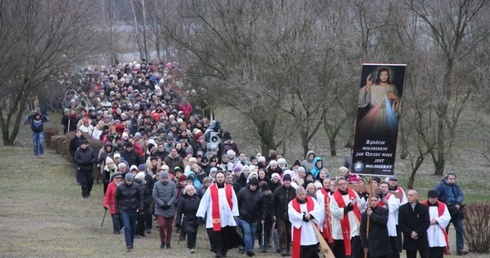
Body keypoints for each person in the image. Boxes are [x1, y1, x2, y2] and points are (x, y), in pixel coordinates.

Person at [196, 171, 242, 258]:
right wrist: (200, 215)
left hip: (227, 216)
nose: (220, 178)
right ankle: (218, 251)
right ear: (216, 178)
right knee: (216, 235)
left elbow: (234, 201)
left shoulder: (230, 188)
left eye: (221, 177)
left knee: (226, 234)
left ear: (224, 178)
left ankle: (224, 250)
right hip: (214, 216)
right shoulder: (211, 189)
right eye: (218, 177)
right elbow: (204, 202)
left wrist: (235, 214)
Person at [357, 67, 400, 135]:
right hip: (373, 114)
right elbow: (362, 101)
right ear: (378, 76)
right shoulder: (373, 87)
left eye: (386, 74)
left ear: (388, 75)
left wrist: (395, 98)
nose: (384, 77)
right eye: (382, 75)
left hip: (389, 116)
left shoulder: (392, 87)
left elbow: (398, 103)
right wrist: (368, 86)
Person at [434, 173, 468, 255]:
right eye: (451, 179)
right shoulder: (440, 186)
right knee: (445, 230)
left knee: (459, 229)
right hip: (446, 211)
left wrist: (458, 203)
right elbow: (436, 198)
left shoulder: (456, 186)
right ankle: (445, 248)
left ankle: (460, 248)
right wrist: (444, 205)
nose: (452, 180)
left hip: (456, 211)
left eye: (453, 179)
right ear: (446, 178)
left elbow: (460, 195)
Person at [330, 178, 364, 258]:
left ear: (346, 184)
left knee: (354, 247)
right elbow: (334, 212)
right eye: (340, 184)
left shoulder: (352, 192)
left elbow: (359, 205)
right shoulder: (334, 197)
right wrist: (345, 209)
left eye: (344, 184)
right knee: (342, 250)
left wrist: (363, 199)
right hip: (341, 227)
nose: (343, 186)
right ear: (337, 186)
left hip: (353, 224)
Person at [288, 186, 323, 258]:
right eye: (300, 194)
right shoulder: (292, 203)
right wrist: (302, 217)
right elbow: (292, 214)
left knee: (313, 249)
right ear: (296, 194)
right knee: (303, 251)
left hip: (311, 227)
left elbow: (318, 210)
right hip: (300, 229)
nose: (302, 196)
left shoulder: (312, 200)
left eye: (303, 194)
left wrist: (311, 215)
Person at [237, 178, 267, 257]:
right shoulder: (242, 191)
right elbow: (237, 202)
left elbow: (263, 207)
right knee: (247, 232)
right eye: (252, 185)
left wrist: (263, 218)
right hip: (244, 216)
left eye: (255, 185)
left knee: (253, 234)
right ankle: (249, 249)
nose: (253, 187)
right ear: (249, 185)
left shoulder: (260, 194)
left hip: (255, 217)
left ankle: (250, 248)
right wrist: (237, 214)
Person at [115, 173, 144, 252]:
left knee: (133, 227)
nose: (129, 182)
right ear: (125, 180)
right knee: (127, 227)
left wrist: (141, 208)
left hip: (134, 209)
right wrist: (117, 210)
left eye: (130, 181)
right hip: (125, 209)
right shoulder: (120, 187)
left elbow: (140, 197)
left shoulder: (136, 186)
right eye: (128, 181)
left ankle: (131, 242)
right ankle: (128, 244)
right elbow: (116, 199)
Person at [398, 190, 430, 258]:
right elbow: (401, 223)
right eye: (408, 195)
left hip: (421, 237)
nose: (408, 197)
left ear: (416, 196)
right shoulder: (402, 208)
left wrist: (417, 232)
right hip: (409, 238)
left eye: (411, 195)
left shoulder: (424, 208)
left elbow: (426, 223)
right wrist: (410, 233)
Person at [271, 173, 296, 256]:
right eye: (286, 181)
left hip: (290, 216)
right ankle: (283, 249)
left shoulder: (294, 191)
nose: (287, 182)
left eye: (289, 181)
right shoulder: (278, 191)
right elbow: (273, 204)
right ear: (283, 181)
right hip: (280, 215)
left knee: (289, 233)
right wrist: (273, 214)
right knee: (282, 232)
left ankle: (288, 249)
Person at [421, 190, 450, 258]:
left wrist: (437, 220)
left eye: (435, 198)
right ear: (428, 198)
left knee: (438, 251)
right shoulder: (422, 205)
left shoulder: (442, 205)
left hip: (438, 230)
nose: (433, 199)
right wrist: (428, 221)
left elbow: (447, 217)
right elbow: (418, 217)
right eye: (431, 198)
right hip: (427, 230)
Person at [152, 171, 177, 249]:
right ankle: (162, 241)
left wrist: (169, 204)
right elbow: (155, 195)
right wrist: (162, 204)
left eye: (166, 178)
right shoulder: (156, 184)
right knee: (161, 225)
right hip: (160, 209)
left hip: (170, 208)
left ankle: (168, 243)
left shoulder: (173, 184)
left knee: (169, 227)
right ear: (160, 178)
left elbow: (174, 195)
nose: (164, 180)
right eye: (163, 179)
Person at [378, 181, 402, 258]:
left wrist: (382, 198)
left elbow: (391, 207)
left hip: (389, 222)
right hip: (378, 222)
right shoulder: (375, 196)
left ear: (388, 188)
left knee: (391, 245)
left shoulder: (393, 196)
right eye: (382, 187)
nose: (384, 189)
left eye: (385, 187)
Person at [176, 185, 201, 253]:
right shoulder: (183, 199)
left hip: (195, 218)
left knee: (194, 232)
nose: (190, 192)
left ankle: (193, 242)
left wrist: (200, 219)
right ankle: (191, 247)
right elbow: (179, 211)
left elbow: (200, 210)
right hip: (186, 218)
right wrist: (178, 221)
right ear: (186, 192)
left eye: (192, 190)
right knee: (189, 231)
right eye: (189, 191)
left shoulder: (197, 199)